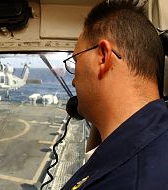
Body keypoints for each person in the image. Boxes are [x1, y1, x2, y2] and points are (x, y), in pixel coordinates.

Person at [62, 0, 168, 189]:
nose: (73, 81)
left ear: (103, 56)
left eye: (76, 60)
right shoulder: (155, 141)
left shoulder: (129, 179)